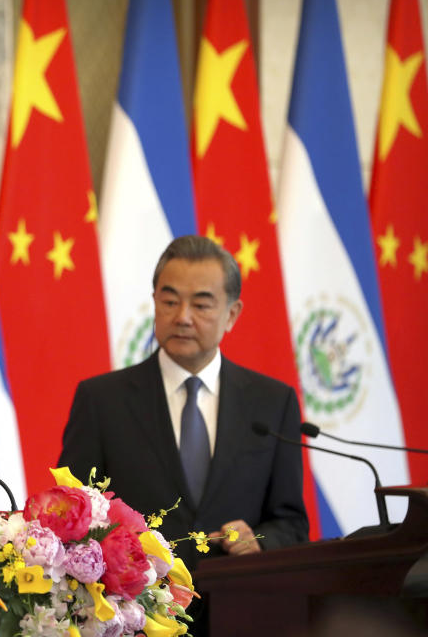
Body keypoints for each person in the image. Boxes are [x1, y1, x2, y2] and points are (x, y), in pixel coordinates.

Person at [58, 235, 308, 572]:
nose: (183, 317)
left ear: (232, 314)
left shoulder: (272, 403)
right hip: (137, 612)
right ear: (155, 302)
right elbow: (72, 517)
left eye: (202, 305)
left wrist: (259, 541)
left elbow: (290, 523)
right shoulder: (102, 401)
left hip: (241, 607)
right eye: (170, 301)